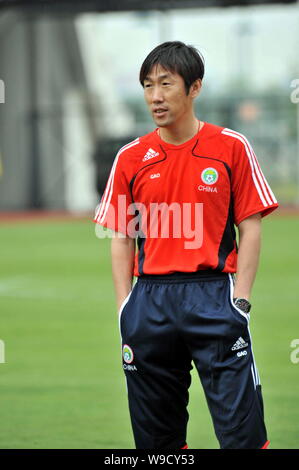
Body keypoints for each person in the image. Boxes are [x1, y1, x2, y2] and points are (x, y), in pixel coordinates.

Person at [94, 41, 278, 449]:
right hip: (150, 303)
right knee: (157, 442)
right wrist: (126, 306)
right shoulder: (130, 157)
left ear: (194, 87)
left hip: (214, 297)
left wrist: (242, 300)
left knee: (243, 435)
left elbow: (250, 228)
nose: (155, 96)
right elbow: (121, 237)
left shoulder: (231, 147)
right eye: (147, 85)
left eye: (165, 84)